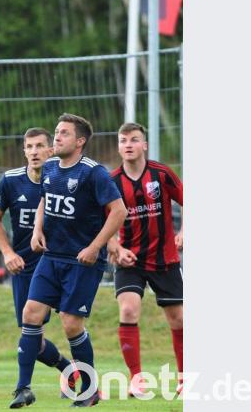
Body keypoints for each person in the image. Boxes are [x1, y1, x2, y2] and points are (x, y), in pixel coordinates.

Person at [10, 113, 127, 408]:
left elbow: (118, 211)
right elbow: (45, 201)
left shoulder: (93, 173)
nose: (57, 137)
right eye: (57, 132)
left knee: (71, 324)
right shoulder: (50, 168)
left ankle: (88, 390)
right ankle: (23, 388)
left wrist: (95, 247)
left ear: (80, 141)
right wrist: (37, 229)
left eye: (63, 133)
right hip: (51, 257)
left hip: (82, 261)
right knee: (31, 314)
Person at [0, 127, 79, 399]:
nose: (34, 152)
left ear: (51, 149)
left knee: (71, 322)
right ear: (24, 151)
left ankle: (25, 388)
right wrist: (7, 253)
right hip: (26, 268)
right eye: (29, 147)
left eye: (40, 146)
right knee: (34, 340)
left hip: (60, 263)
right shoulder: (10, 180)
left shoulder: (62, 179)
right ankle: (71, 372)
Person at [108, 122, 184, 396]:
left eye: (134, 139)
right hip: (130, 261)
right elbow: (100, 221)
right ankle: (137, 378)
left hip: (165, 259)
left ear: (145, 145)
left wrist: (184, 231)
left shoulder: (161, 174)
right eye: (123, 140)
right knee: (128, 310)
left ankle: (185, 379)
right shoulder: (112, 181)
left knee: (179, 320)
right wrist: (115, 245)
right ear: (119, 146)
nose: (128, 144)